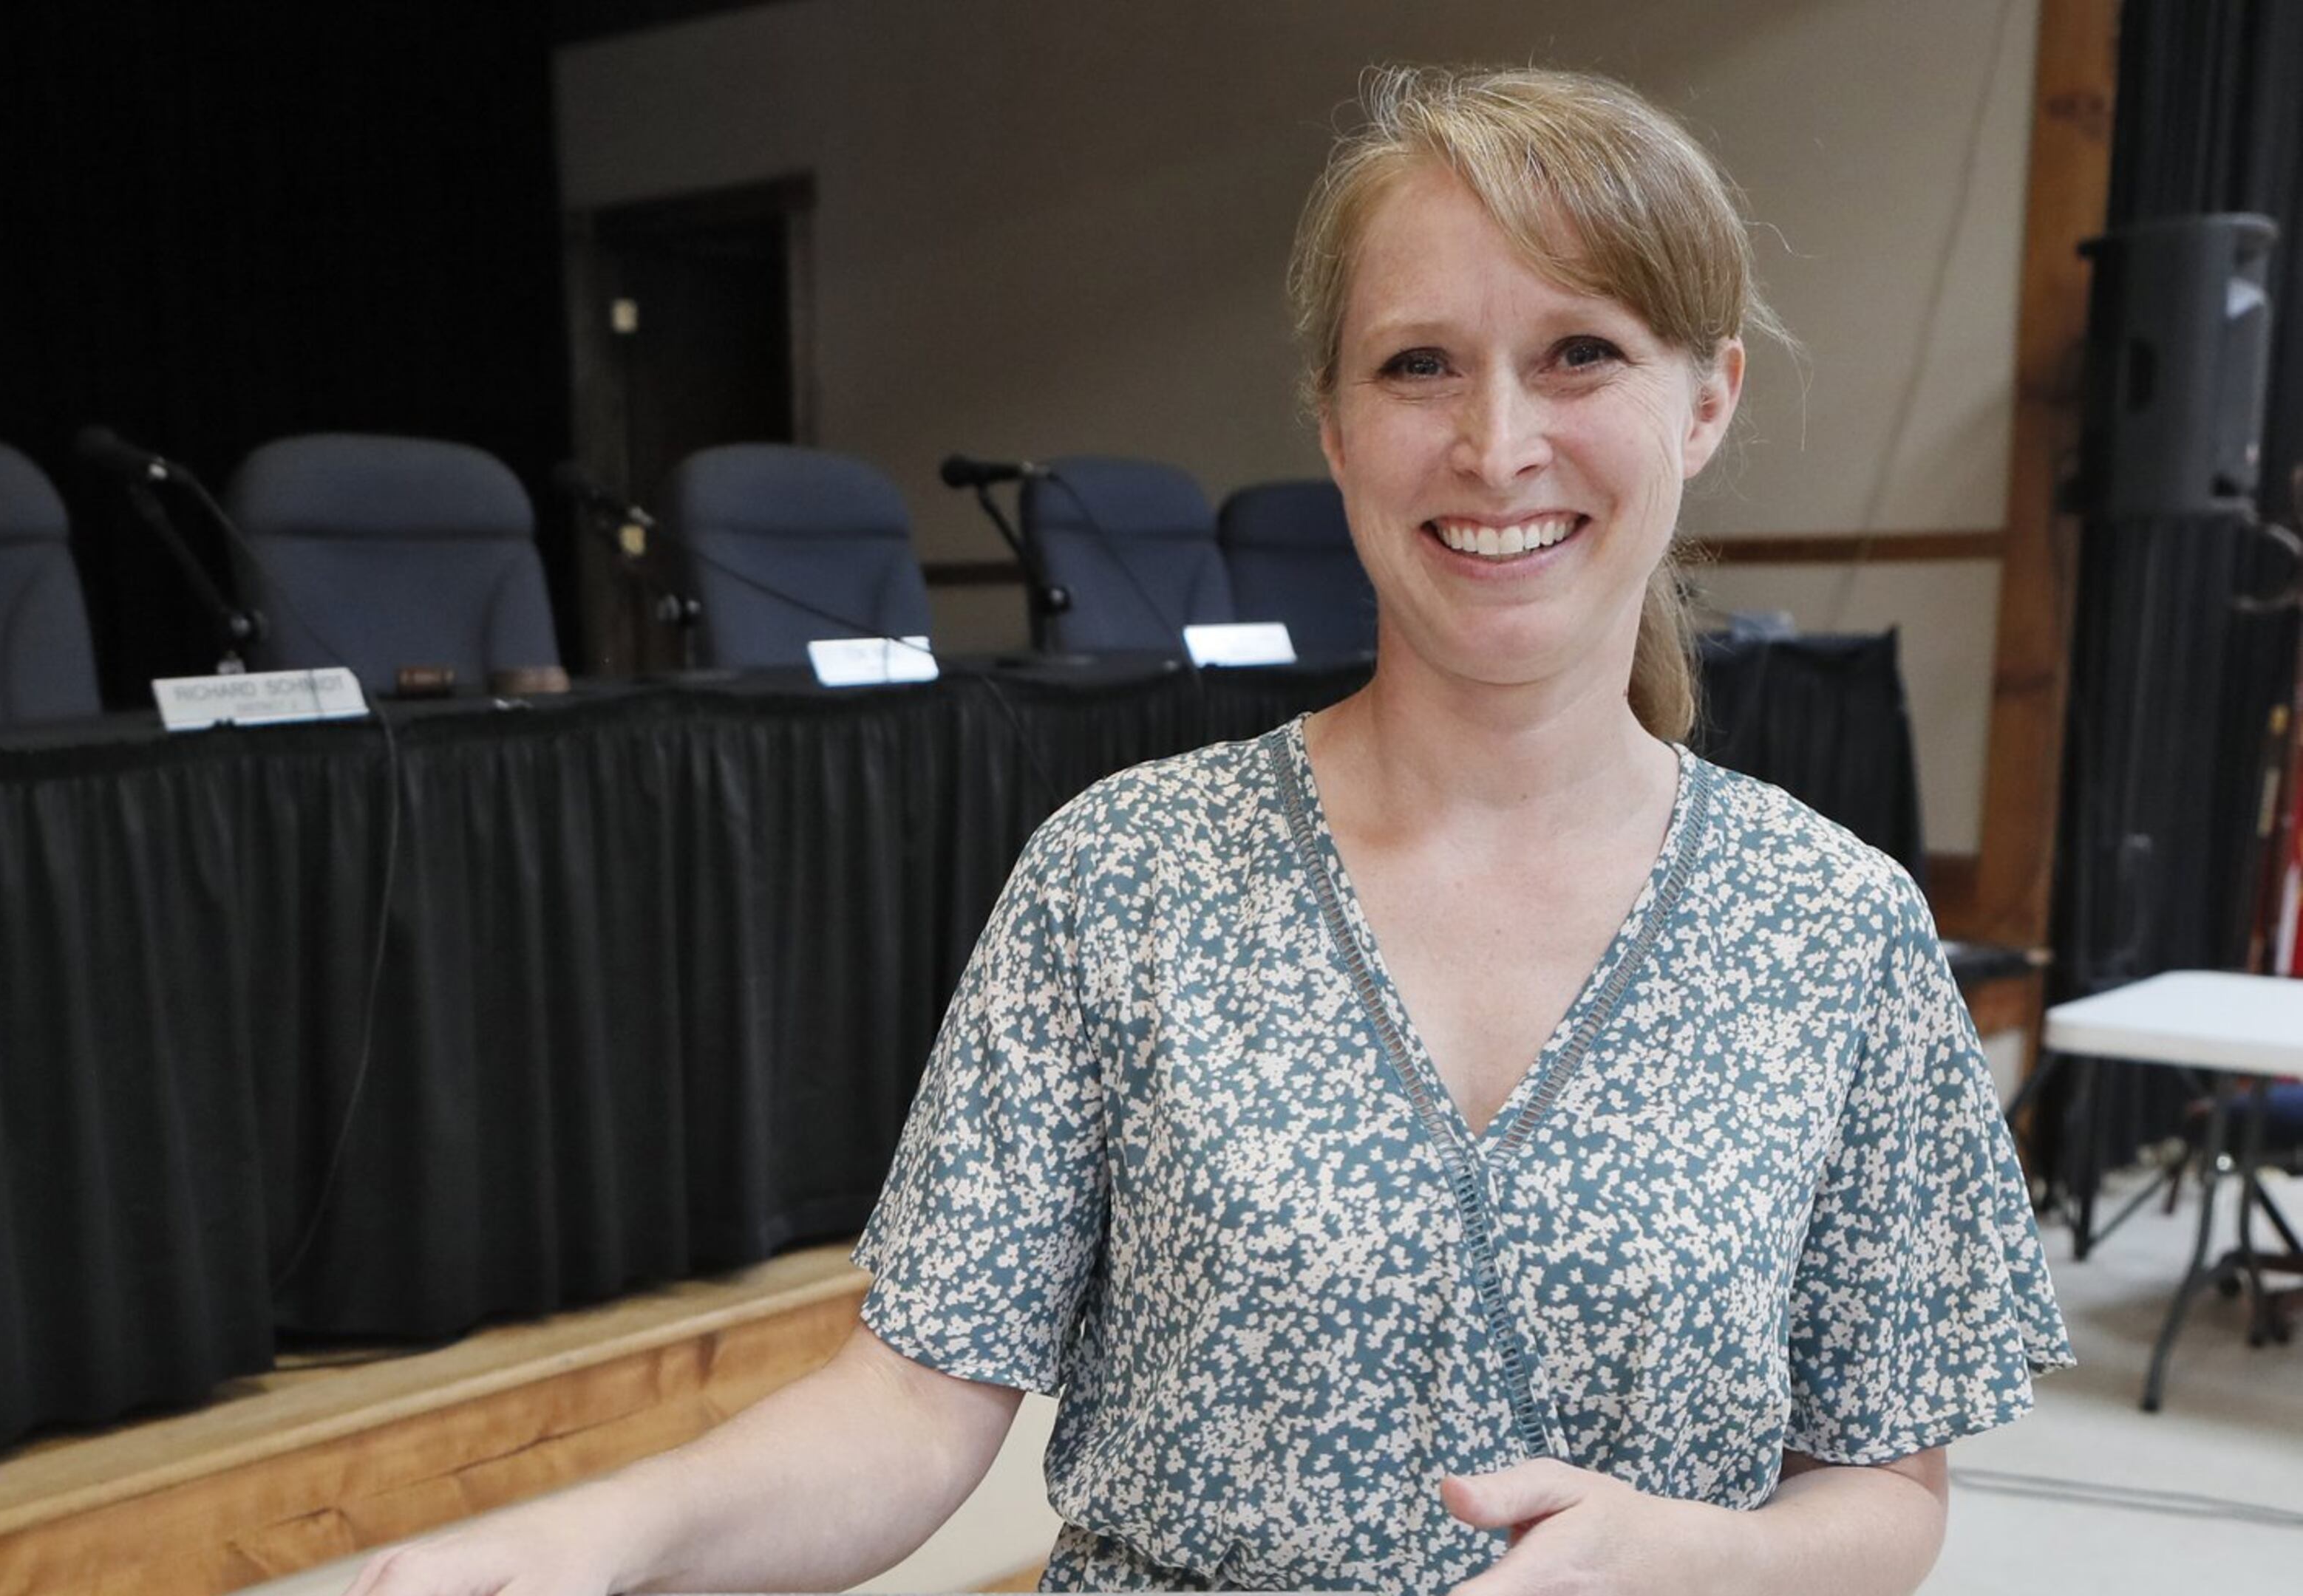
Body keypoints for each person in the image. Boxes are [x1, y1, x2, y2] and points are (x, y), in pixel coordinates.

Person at [346, 64, 2072, 1595]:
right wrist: (597, 1537)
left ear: (1703, 402)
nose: (1495, 441)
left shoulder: (1835, 930)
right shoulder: (1125, 876)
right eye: (1419, 365)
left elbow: (1885, 1482)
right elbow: (911, 1405)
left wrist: (1721, 1565)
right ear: (1333, 427)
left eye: (1581, 354)